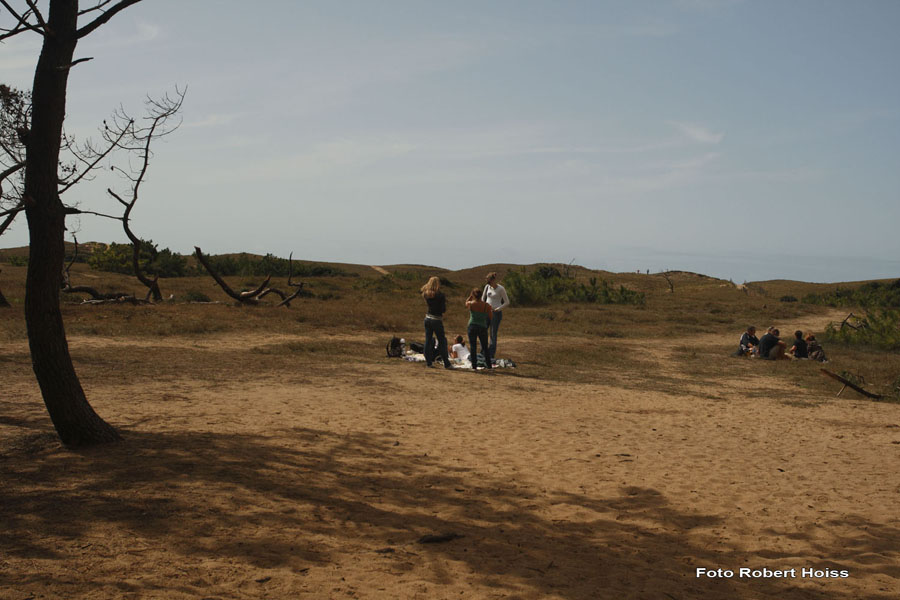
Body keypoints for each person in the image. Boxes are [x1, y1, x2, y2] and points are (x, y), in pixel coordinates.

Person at [420, 276, 452, 369]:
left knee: (428, 340)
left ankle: (428, 362)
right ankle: (446, 363)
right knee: (442, 341)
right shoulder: (440, 295)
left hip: (427, 318)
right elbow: (443, 309)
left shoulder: (426, 294)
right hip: (437, 319)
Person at [481, 271, 510, 360]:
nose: (488, 283)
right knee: (483, 331)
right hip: (486, 312)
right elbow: (483, 298)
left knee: (493, 333)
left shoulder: (501, 289)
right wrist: (484, 306)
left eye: (489, 281)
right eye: (487, 282)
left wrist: (497, 309)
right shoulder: (487, 287)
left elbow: (507, 302)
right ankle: (483, 352)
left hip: (495, 313)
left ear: (493, 280)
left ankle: (491, 354)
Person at [466, 287, 493, 371]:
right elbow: (490, 317)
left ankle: (474, 366)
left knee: (473, 346)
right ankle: (489, 365)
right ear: (481, 295)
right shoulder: (487, 305)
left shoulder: (471, 304)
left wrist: (470, 296)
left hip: (472, 325)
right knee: (485, 347)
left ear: (474, 295)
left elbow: (466, 302)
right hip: (482, 326)